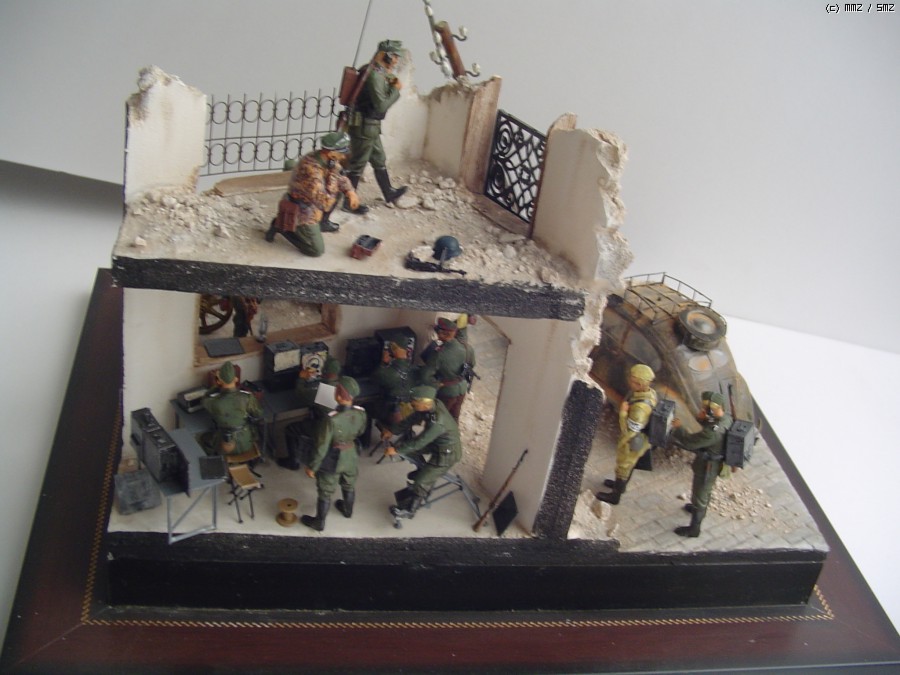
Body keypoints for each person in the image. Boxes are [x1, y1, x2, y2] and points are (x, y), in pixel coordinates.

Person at [265, 132, 361, 257]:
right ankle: (281, 227)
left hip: (313, 201)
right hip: (303, 208)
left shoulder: (327, 159)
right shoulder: (312, 171)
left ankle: (323, 223)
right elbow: (323, 201)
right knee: (316, 250)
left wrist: (350, 192)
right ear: (331, 153)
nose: (343, 157)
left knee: (340, 191)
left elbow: (338, 176)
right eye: (341, 153)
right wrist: (336, 188)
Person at [344, 39, 408, 212]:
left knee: (379, 159)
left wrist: (391, 80)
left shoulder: (375, 70)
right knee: (358, 164)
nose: (396, 60)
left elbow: (386, 79)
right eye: (394, 56)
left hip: (371, 126)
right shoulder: (374, 75)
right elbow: (381, 105)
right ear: (384, 55)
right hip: (365, 126)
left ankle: (389, 192)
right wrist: (396, 90)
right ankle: (349, 202)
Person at [382, 385, 462, 519]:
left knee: (421, 482)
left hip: (447, 454)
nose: (411, 405)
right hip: (436, 443)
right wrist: (392, 430)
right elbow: (411, 419)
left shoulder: (437, 421)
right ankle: (423, 470)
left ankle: (409, 511)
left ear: (425, 404)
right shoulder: (430, 406)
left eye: (414, 403)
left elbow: (420, 442)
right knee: (408, 451)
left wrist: (396, 450)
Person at [301, 376, 368, 532]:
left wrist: (313, 467)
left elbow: (322, 446)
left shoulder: (331, 419)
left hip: (333, 458)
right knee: (349, 483)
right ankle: (348, 510)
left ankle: (319, 522)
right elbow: (361, 431)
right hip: (350, 454)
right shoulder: (361, 413)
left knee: (325, 490)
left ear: (338, 396)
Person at [671, 391, 733, 538]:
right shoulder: (726, 418)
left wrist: (679, 428)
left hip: (708, 466)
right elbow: (712, 424)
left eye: (706, 408)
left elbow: (690, 442)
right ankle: (696, 508)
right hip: (712, 461)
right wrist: (704, 420)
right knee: (703, 491)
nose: (703, 409)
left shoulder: (713, 432)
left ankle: (694, 529)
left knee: (700, 494)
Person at [596, 364, 658, 504]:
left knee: (624, 466)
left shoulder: (640, 408)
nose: (629, 381)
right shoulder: (651, 393)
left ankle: (615, 496)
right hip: (640, 436)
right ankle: (619, 485)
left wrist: (623, 413)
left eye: (633, 380)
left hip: (634, 439)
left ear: (640, 384)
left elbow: (629, 431)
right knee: (628, 465)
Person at [201, 361, 263, 457]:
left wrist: (215, 387)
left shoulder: (213, 402)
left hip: (224, 445)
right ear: (236, 379)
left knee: (204, 438)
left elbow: (204, 399)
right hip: (246, 443)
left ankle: (215, 462)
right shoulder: (247, 397)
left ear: (219, 381)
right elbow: (258, 414)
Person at [420, 317, 475, 422]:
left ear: (442, 334)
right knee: (454, 417)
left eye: (438, 332)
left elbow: (425, 376)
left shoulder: (438, 354)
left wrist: (437, 384)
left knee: (438, 419)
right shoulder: (468, 348)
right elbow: (472, 364)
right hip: (462, 389)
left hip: (446, 392)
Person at [372, 340, 419, 433]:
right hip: (409, 410)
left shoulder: (388, 372)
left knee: (367, 407)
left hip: (391, 411)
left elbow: (374, 379)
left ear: (393, 351)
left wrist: (383, 363)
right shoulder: (416, 370)